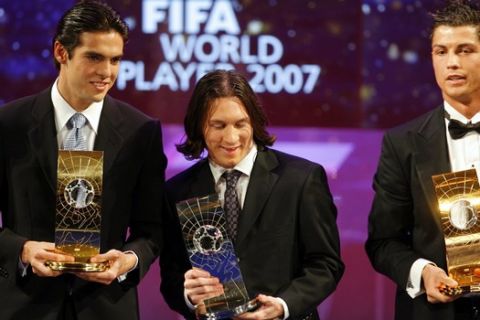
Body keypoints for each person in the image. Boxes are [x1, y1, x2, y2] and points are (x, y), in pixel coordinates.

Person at [0, 1, 166, 319]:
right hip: (23, 307)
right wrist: (22, 250)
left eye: (115, 59)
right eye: (94, 57)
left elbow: (151, 231)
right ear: (62, 52)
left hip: (106, 309)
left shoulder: (141, 131)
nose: (107, 72)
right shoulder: (8, 124)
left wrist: (127, 260)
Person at [160, 70, 344, 320]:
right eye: (218, 125)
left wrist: (282, 306)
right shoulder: (178, 191)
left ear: (254, 122)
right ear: (199, 127)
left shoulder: (300, 179)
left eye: (240, 124)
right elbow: (171, 277)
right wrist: (190, 298)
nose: (231, 137)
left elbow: (326, 265)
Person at [365, 1, 480, 319]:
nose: (452, 63)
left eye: (465, 50)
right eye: (441, 52)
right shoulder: (402, 143)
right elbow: (383, 242)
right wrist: (423, 271)